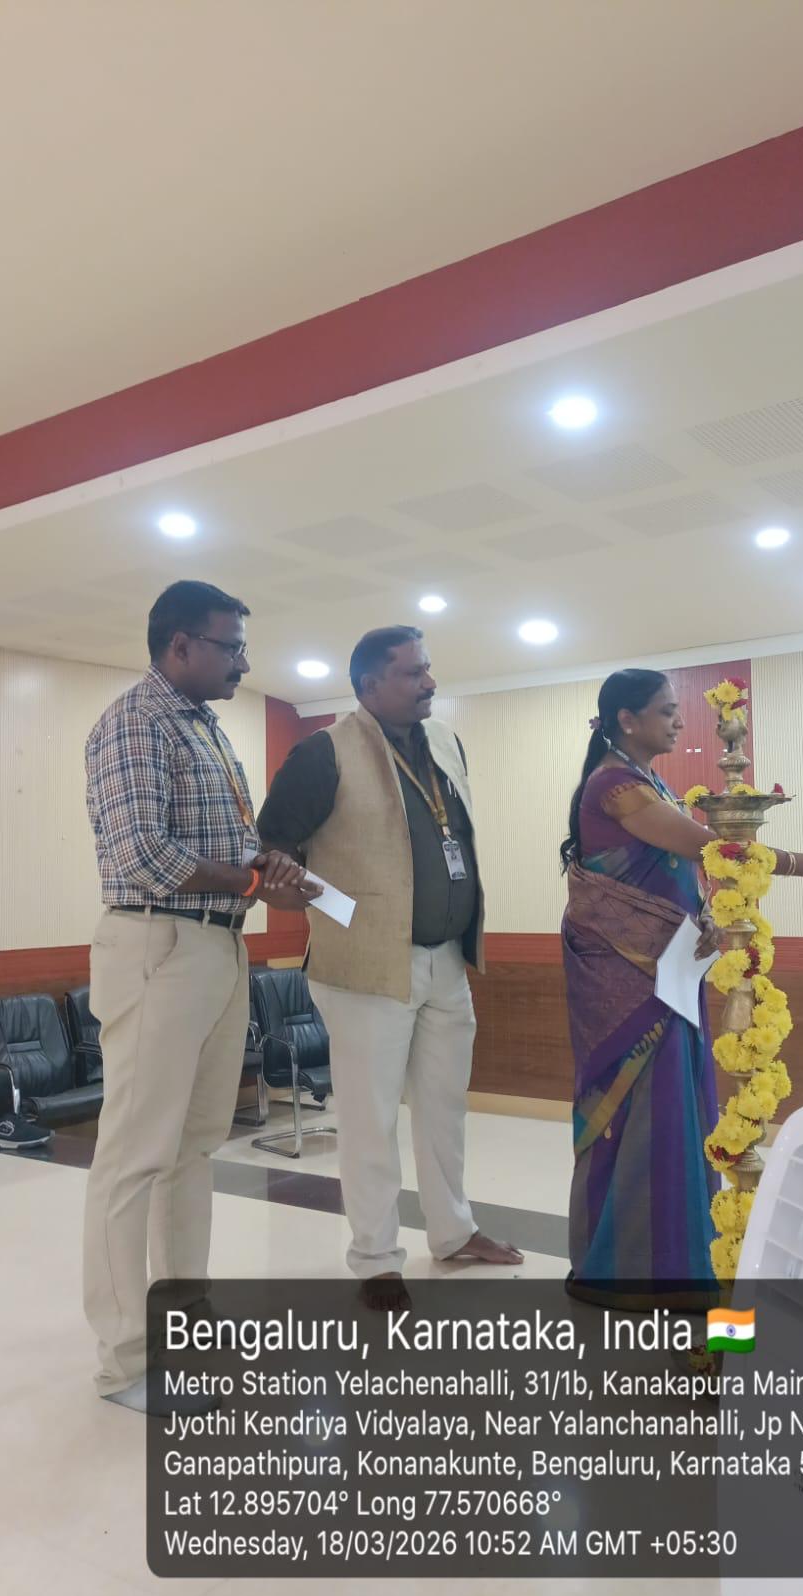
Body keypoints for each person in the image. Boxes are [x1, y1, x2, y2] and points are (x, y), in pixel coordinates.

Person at [559, 668, 803, 1301]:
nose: (679, 720)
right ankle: (626, 1268)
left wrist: (701, 916)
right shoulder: (615, 785)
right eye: (666, 710)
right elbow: (708, 848)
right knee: (640, 1109)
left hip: (669, 969)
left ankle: (678, 1257)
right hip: (628, 981)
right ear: (627, 720)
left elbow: (676, 875)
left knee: (676, 1106)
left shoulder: (649, 781)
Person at [83, 581, 318, 1411]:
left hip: (219, 945)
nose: (243, 664)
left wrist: (267, 866)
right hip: (159, 944)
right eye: (231, 647)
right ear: (180, 645)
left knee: (192, 1147)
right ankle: (125, 1359)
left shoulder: (205, 726)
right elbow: (145, 854)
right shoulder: (134, 721)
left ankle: (183, 1321)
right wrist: (253, 878)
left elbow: (224, 843)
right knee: (134, 1156)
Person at [257, 625, 523, 1310]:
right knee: (370, 1118)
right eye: (412, 673)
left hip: (447, 961)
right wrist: (323, 901)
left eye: (428, 669)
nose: (429, 682)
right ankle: (375, 1257)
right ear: (369, 684)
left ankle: (453, 1232)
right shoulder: (323, 752)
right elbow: (273, 846)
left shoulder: (445, 742)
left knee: (444, 1110)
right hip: (364, 969)